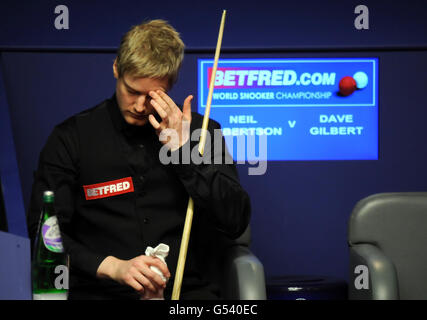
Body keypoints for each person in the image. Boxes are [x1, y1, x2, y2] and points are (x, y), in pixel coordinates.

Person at [27, 19, 251, 300]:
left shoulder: (203, 132)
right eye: (132, 91)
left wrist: (183, 153)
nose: (139, 106)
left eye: (153, 95)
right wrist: (113, 267)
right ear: (116, 69)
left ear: (171, 84)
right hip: (101, 292)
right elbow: (44, 233)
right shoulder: (70, 138)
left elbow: (235, 220)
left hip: (186, 295)